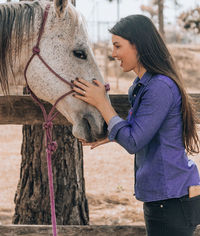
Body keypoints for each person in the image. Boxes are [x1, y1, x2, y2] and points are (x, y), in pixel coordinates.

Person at [72, 14, 200, 236]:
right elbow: (140, 128)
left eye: (118, 45)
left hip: (171, 199)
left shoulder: (159, 87)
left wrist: (102, 103)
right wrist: (110, 135)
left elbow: (133, 141)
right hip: (163, 196)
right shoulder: (142, 85)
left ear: (138, 45)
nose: (113, 54)